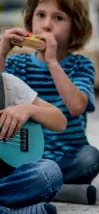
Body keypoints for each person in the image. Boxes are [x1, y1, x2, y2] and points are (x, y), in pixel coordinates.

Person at [0, 0, 99, 205]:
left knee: (91, 158)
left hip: (68, 157)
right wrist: (3, 53)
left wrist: (53, 63)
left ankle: (37, 186)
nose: (47, 25)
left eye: (58, 18)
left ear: (75, 26)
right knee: (27, 169)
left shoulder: (81, 65)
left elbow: (76, 107)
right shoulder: (18, 63)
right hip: (23, 155)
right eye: (41, 15)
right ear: (30, 18)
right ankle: (58, 189)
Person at [0, 71, 67, 214]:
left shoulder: (7, 83)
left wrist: (29, 109)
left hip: (6, 178)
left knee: (48, 172)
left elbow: (60, 122)